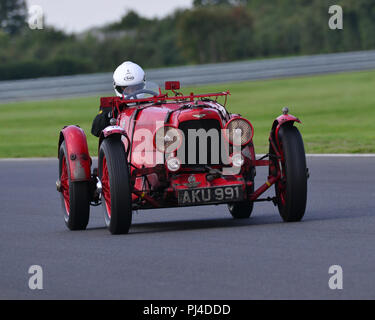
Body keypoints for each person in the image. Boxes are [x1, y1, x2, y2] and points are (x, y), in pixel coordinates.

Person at [91, 61, 146, 137]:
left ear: (141, 86)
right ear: (118, 87)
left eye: (135, 88)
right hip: (121, 146)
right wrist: (110, 114)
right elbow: (96, 130)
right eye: (125, 88)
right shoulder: (112, 107)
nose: (131, 92)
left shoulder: (151, 104)